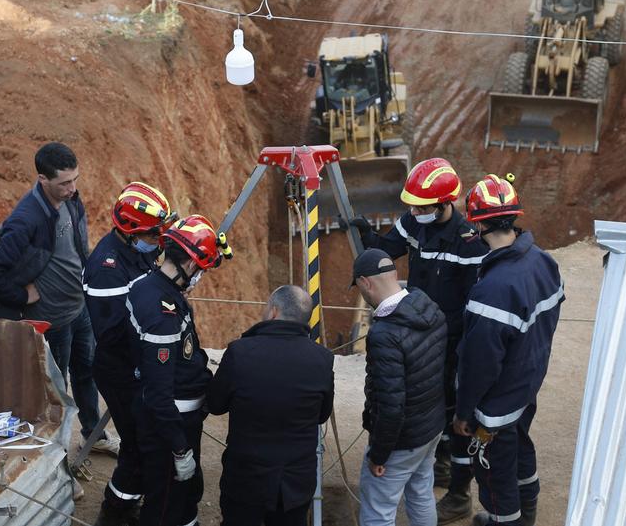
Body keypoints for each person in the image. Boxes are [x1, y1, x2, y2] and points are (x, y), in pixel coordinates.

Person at [346, 158, 488, 523]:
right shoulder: (414, 221)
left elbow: (475, 302)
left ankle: (458, 492)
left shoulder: (469, 241)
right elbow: (389, 247)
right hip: (418, 328)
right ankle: (435, 464)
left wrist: (454, 339)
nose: (414, 211)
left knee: (453, 414)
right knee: (426, 408)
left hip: (450, 338)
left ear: (444, 204)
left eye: (422, 206)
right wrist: (368, 237)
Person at [0, 142, 118, 455]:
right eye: (64, 183)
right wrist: (20, 295)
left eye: (75, 180)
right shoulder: (25, 220)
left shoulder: (70, 199)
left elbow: (77, 246)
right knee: (56, 389)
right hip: (51, 319)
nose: (72, 188)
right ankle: (54, 456)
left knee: (88, 373)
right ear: (42, 179)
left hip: (79, 308)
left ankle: (93, 435)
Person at [452, 174, 564, 526]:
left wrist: (465, 412)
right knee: (520, 445)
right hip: (526, 385)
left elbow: (478, 364)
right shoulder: (543, 262)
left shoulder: (494, 289)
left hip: (496, 403)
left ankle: (508, 519)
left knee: (494, 470)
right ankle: (527, 508)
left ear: (479, 224)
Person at [127, 214, 231, 526]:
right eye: (200, 268)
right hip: (170, 424)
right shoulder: (163, 313)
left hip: (172, 418)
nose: (200, 275)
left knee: (185, 495)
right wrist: (180, 448)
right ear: (189, 264)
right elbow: (159, 395)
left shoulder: (150, 287)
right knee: (165, 506)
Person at [86, 182, 176, 526]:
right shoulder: (107, 268)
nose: (157, 240)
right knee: (137, 444)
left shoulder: (139, 249)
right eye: (153, 234)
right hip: (120, 369)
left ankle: (127, 500)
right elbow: (113, 332)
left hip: (136, 365)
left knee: (144, 441)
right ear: (129, 231)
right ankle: (115, 510)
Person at [207, 285, 334, 526]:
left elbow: (215, 404)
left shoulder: (240, 352)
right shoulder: (322, 358)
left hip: (246, 479)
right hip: (296, 483)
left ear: (274, 312)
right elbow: (322, 414)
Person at [352, 248, 448, 526]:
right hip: (431, 426)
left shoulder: (384, 335)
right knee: (420, 492)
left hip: (402, 440)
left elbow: (391, 406)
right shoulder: (427, 305)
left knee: (378, 510)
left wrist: (380, 454)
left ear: (365, 283)